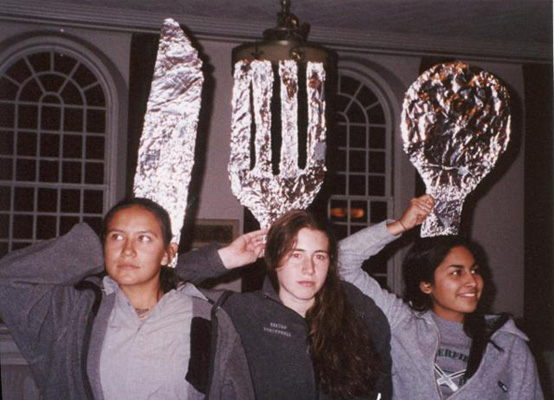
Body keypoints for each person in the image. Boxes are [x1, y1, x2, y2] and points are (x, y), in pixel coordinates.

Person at [0, 197, 263, 400]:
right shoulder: (71, 313)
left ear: (168, 253)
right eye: (116, 237)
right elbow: (8, 279)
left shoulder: (208, 318)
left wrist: (219, 259)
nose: (127, 250)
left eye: (144, 239)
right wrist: (92, 249)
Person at [339, 194, 544, 399]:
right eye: (456, 272)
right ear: (426, 285)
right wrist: (400, 225)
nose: (473, 281)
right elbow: (341, 263)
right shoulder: (404, 325)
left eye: (474, 270)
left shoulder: (507, 344)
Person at [182, 209, 392, 400]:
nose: (308, 269)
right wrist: (224, 258)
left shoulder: (359, 313)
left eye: (319, 257)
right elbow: (164, 285)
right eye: (296, 255)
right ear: (274, 260)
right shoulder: (240, 313)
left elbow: (380, 389)